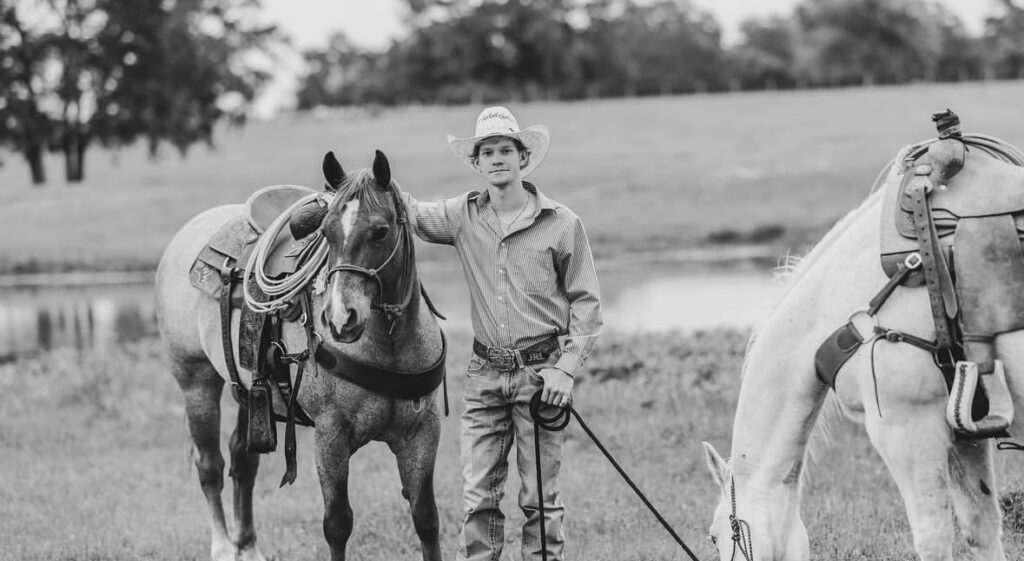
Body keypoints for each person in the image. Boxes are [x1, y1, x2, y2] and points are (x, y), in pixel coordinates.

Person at [402, 106, 603, 561]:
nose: (497, 158)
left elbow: (588, 305)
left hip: (541, 376)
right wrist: (367, 184)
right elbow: (409, 212)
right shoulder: (461, 217)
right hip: (483, 375)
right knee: (478, 500)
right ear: (476, 163)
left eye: (505, 150)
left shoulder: (562, 223)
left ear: (522, 157)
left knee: (540, 501)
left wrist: (565, 371)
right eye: (487, 151)